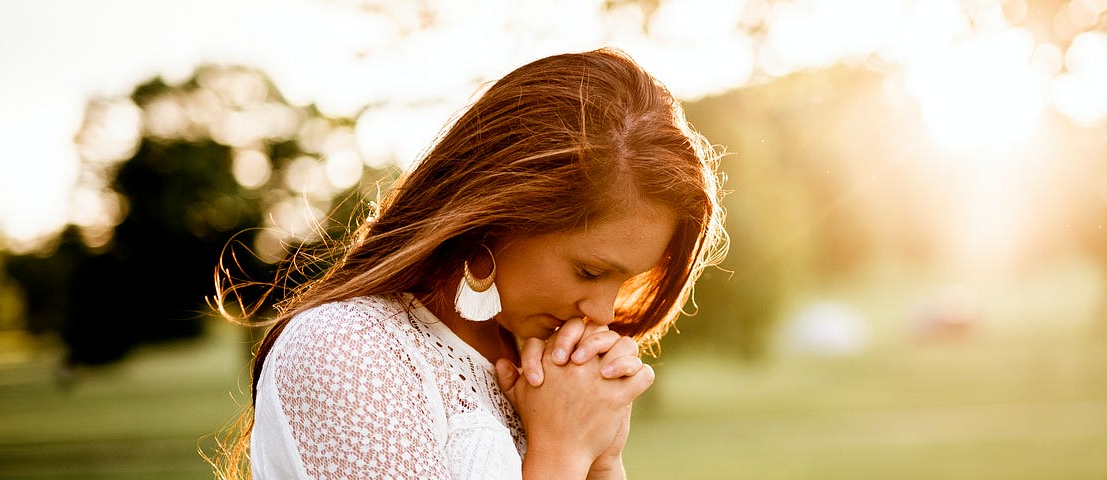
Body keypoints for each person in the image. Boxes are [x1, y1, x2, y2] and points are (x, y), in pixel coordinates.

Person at [213, 47, 727, 480]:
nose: (602, 311)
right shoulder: (347, 351)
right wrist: (563, 453)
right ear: (497, 215)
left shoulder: (548, 375)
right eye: (590, 272)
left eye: (625, 281)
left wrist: (602, 459)